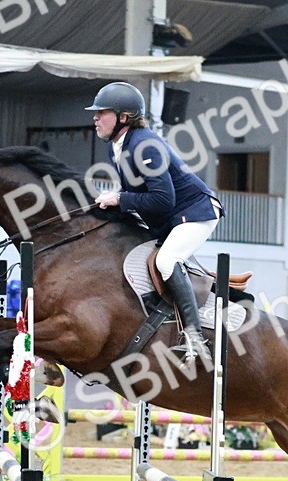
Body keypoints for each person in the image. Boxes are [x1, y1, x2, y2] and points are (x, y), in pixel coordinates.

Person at [87, 81, 222, 363]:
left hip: (195, 213)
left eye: (103, 113)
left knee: (166, 261)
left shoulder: (144, 144)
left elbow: (162, 199)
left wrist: (121, 200)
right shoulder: (120, 146)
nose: (95, 118)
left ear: (124, 117)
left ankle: (195, 337)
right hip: (173, 217)